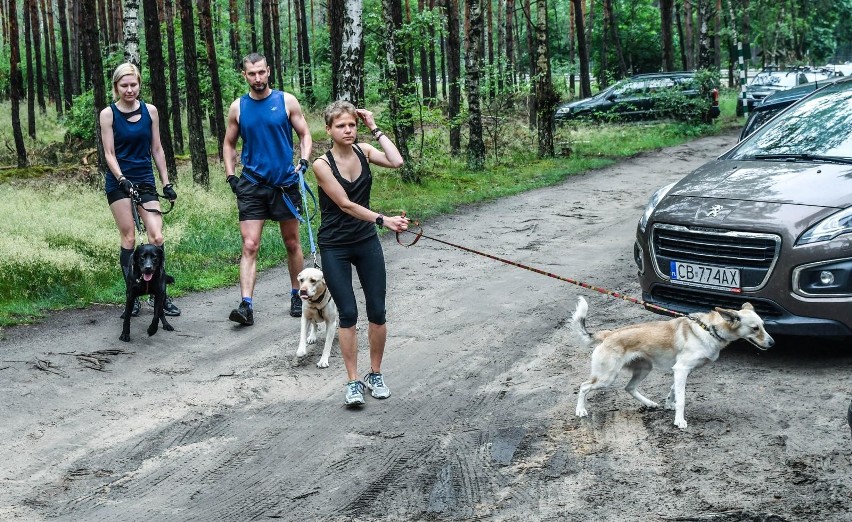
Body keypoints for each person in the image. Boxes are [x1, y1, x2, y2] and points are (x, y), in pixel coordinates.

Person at [312, 101, 409, 406]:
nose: (348, 130)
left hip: (365, 240)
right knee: (349, 314)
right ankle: (353, 382)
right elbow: (345, 204)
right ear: (329, 130)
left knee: (378, 311)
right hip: (335, 245)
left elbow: (397, 162)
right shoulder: (321, 165)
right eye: (341, 126)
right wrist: (384, 220)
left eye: (352, 124)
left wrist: (374, 127)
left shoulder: (364, 151)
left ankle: (375, 374)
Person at [223, 52, 313, 325]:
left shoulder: (286, 101)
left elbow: (305, 134)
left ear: (269, 70)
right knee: (250, 245)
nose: (258, 78)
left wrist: (304, 162)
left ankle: (298, 295)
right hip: (251, 185)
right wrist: (231, 177)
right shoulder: (238, 107)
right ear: (244, 75)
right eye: (252, 74)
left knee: (291, 243)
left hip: (285, 185)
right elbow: (229, 144)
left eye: (261, 72)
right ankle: (246, 305)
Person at [100, 62, 180, 318]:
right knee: (130, 238)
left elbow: (157, 148)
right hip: (119, 182)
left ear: (139, 84)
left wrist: (166, 182)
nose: (129, 90)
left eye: (133, 84)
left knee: (156, 236)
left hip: (145, 180)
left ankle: (160, 294)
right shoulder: (108, 114)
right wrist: (122, 178)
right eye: (124, 85)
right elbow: (109, 153)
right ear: (116, 87)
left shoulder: (151, 111)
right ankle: (133, 294)